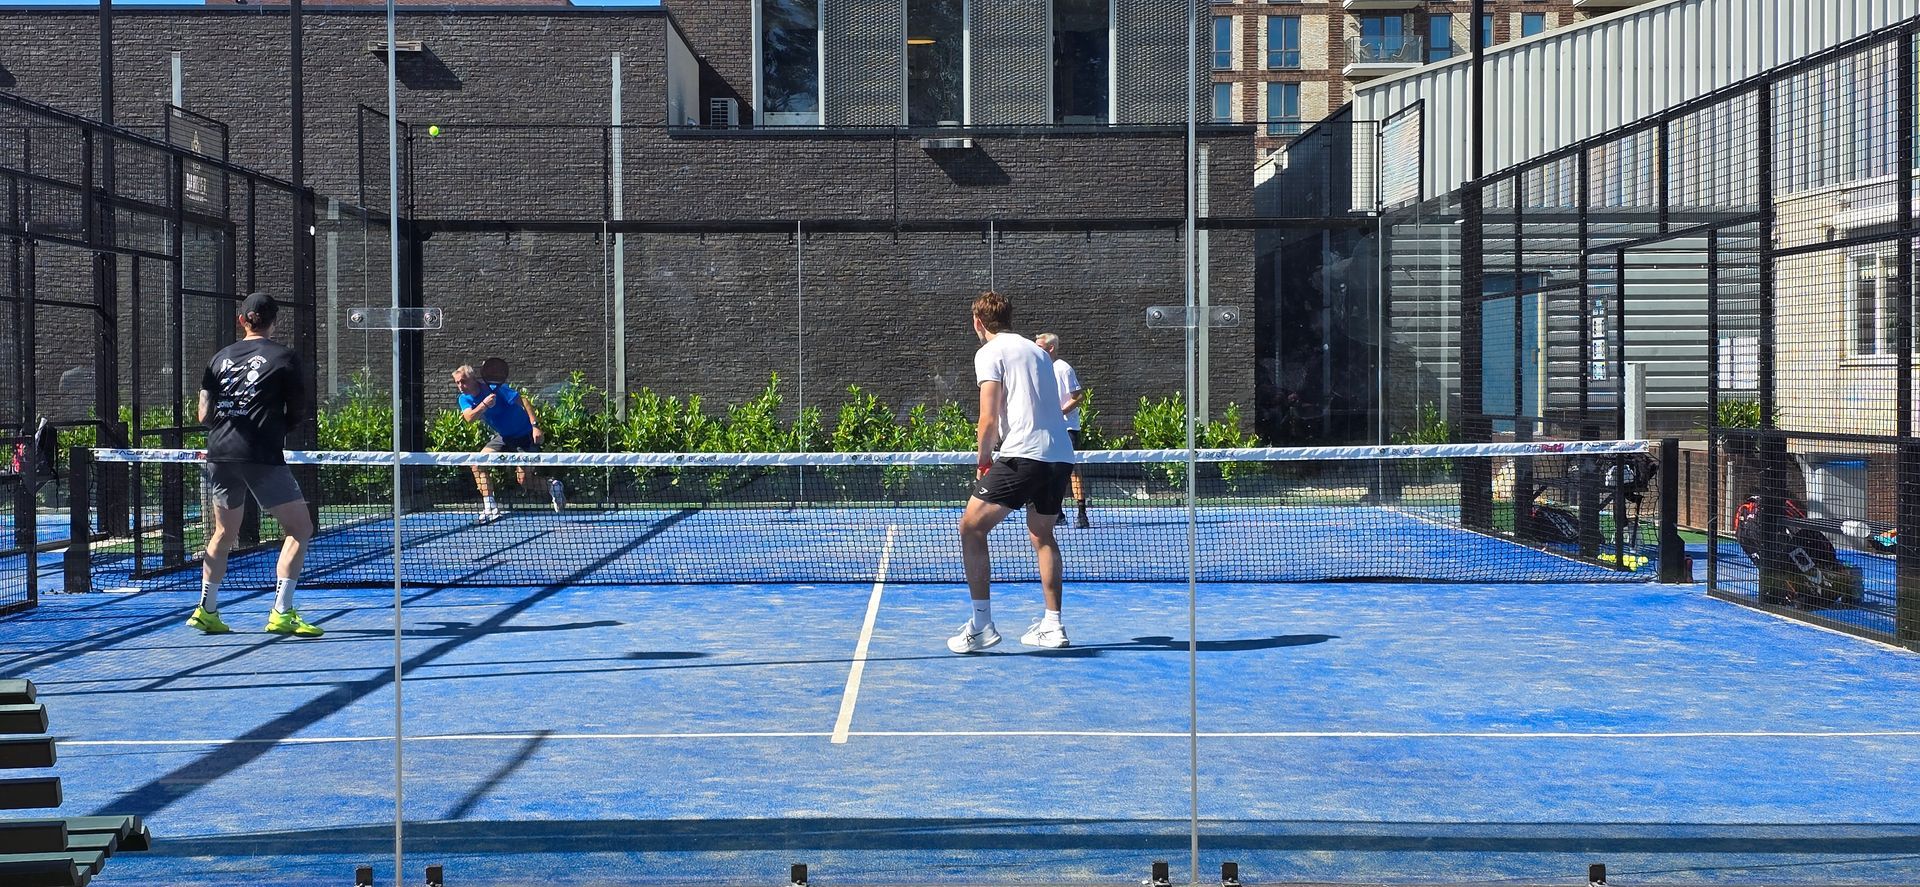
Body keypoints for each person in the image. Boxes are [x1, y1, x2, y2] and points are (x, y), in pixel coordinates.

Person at [186, 292, 322, 638]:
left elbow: (203, 414)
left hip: (219, 454)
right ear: (275, 321)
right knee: (300, 529)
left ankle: (206, 610)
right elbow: (299, 411)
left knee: (223, 533)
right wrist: (276, 427)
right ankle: (282, 613)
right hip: (260, 456)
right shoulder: (285, 357)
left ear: (241, 321)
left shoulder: (218, 358)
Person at [951, 291, 1077, 654]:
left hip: (1023, 454)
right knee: (1042, 534)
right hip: (1059, 456)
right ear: (1009, 318)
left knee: (971, 528)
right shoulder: (1039, 353)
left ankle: (981, 626)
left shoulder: (989, 352)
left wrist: (983, 462)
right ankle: (1053, 625)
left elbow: (988, 417)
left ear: (978, 322)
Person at [452, 365, 564, 521]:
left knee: (524, 480)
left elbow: (524, 401)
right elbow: (469, 418)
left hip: (525, 436)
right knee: (478, 464)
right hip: (504, 437)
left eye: (463, 381)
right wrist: (484, 404)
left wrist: (535, 426)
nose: (460, 386)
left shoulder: (496, 388)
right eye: (457, 383)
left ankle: (553, 486)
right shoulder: (464, 398)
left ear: (473, 379)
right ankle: (490, 508)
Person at [1035, 333, 1091, 529]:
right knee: (1048, 469)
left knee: (1072, 470)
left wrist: (1060, 413)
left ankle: (1082, 513)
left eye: (1040, 346)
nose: (1035, 349)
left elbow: (1078, 396)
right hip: (1047, 427)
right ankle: (1057, 513)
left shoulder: (1063, 368)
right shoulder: (1037, 368)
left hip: (1067, 427)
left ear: (1051, 348)